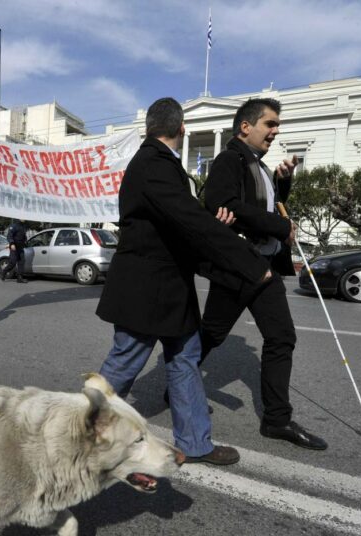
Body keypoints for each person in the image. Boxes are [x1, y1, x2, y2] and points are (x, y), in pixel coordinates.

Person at [96, 98, 272, 465]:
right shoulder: (152, 165)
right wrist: (247, 261)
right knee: (125, 362)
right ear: (182, 129)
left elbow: (179, 225)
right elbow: (188, 218)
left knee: (185, 358)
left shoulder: (156, 165)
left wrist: (214, 228)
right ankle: (77, 434)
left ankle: (194, 443)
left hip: (170, 288)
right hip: (146, 289)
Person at [200, 97, 327, 450]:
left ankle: (276, 420)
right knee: (211, 334)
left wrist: (283, 184)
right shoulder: (230, 159)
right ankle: (180, 381)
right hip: (240, 265)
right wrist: (279, 224)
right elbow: (224, 203)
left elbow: (268, 207)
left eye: (276, 125)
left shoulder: (261, 167)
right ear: (246, 126)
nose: (276, 131)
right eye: (270, 124)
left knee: (282, 337)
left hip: (265, 266)